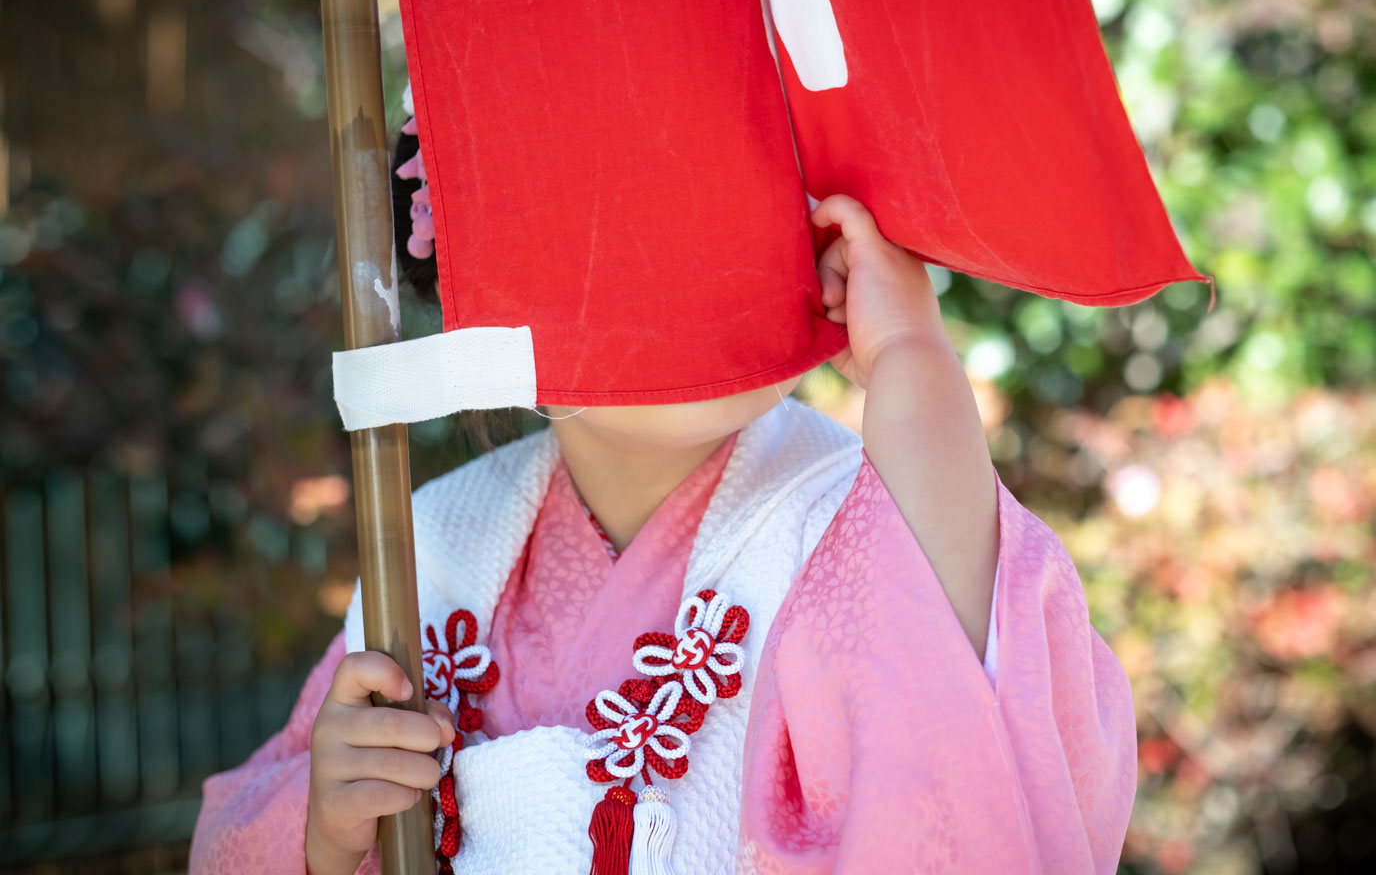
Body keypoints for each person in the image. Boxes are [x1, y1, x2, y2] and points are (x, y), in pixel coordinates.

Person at [188, 137, 1136, 875]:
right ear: (489, 287)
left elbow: (959, 739)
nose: (712, 278)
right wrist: (327, 832)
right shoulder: (432, 547)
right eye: (638, 231)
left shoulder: (835, 524)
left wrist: (912, 366)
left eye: (747, 214)